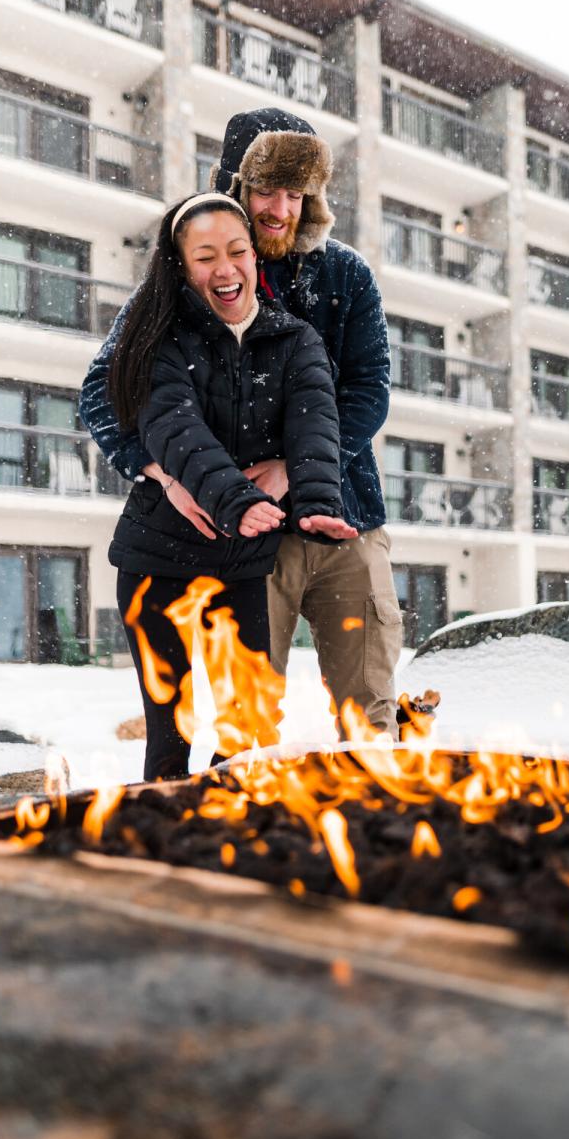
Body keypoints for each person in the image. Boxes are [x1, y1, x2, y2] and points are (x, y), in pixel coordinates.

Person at [81, 107, 404, 735]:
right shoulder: (190, 272)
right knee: (246, 723)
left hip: (348, 518)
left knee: (370, 714)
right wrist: (163, 474)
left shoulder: (346, 274)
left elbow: (369, 392)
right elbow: (105, 390)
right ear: (234, 185)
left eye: (296, 191)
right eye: (264, 189)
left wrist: (297, 465)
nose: (280, 208)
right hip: (244, 541)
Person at [106, 190, 355, 780]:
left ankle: (226, 838)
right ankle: (164, 850)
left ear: (254, 258)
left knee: (246, 730)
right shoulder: (161, 340)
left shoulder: (296, 342)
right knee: (171, 734)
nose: (225, 268)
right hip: (156, 561)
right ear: (181, 267)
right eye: (205, 256)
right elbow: (172, 426)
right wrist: (236, 498)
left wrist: (317, 502)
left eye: (237, 251)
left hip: (241, 563)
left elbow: (315, 426)